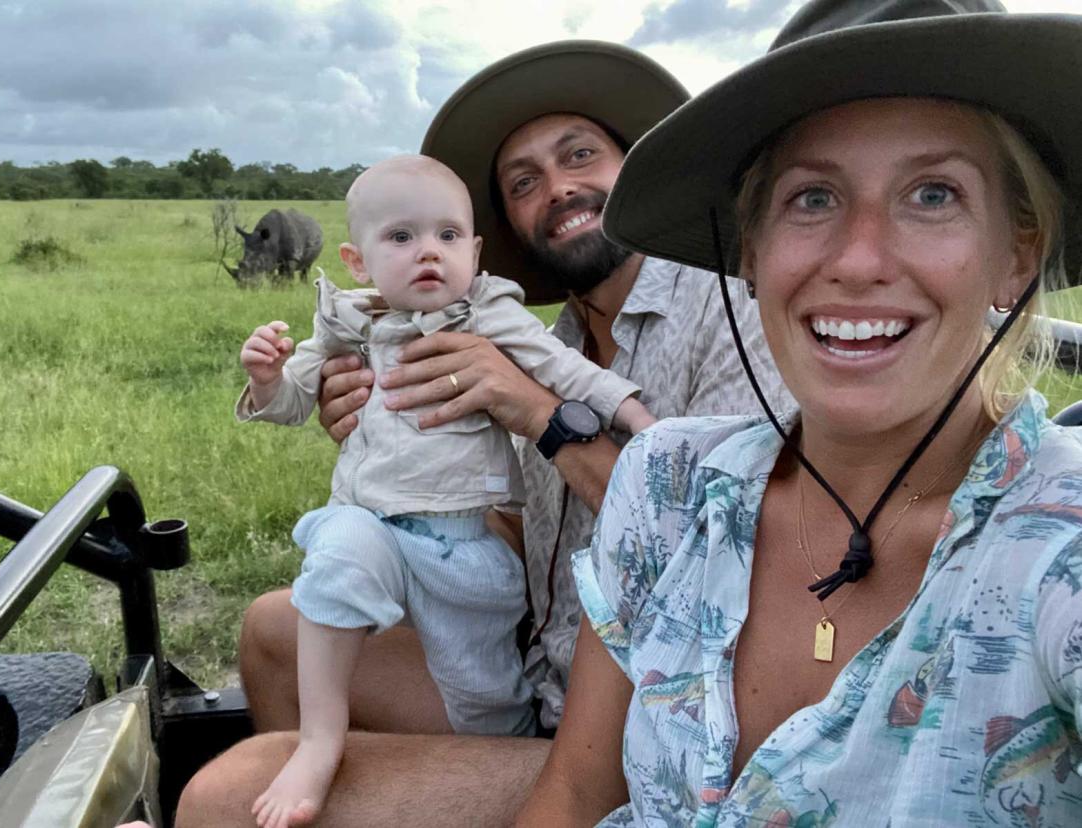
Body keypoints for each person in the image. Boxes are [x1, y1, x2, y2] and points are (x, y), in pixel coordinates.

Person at [177, 41, 790, 827]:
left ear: (637, 170)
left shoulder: (729, 312)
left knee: (221, 795)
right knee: (273, 629)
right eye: (524, 183)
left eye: (580, 155)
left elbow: (724, 549)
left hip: (649, 723)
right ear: (505, 228)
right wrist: (395, 445)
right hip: (537, 673)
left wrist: (539, 415)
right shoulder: (552, 340)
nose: (559, 188)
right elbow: (514, 530)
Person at [523, 1, 1082, 825]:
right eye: (812, 198)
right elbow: (574, 793)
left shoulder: (1056, 554)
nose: (858, 259)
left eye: (932, 194)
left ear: (1017, 257)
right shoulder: (669, 486)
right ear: (750, 252)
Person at [236, 153, 653, 827]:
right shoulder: (348, 320)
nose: (428, 252)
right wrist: (270, 380)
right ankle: (319, 741)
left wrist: (636, 416)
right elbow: (293, 395)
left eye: (447, 236)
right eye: (402, 238)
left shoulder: (488, 316)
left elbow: (564, 372)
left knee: (481, 698)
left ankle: (488, 752)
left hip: (465, 550)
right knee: (335, 552)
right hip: (374, 524)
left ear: (476, 250)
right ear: (358, 259)